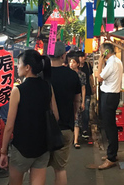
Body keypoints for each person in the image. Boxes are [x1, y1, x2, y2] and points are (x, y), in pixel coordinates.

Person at [0, 50, 59, 185]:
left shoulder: (18, 90)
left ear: (27, 67)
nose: (17, 66)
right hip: (42, 147)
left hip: (22, 147)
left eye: (19, 63)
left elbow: (9, 127)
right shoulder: (47, 86)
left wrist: (3, 152)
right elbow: (56, 116)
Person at [48, 42, 82, 185]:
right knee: (60, 169)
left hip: (43, 129)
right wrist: (73, 116)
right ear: (64, 56)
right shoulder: (72, 75)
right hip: (65, 127)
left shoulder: (41, 74)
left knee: (38, 168)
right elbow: (77, 101)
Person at [96, 42, 123, 170]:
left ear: (106, 52)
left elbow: (99, 78)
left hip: (108, 96)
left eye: (101, 51)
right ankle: (112, 153)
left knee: (109, 126)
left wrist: (100, 62)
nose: (100, 53)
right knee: (111, 125)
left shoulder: (111, 63)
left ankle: (111, 157)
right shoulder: (117, 61)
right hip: (113, 96)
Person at [67, 53, 86, 149]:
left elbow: (83, 88)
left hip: (77, 99)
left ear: (78, 64)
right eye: (70, 62)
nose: (71, 64)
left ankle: (75, 140)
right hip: (68, 98)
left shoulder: (81, 75)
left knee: (77, 119)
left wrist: (82, 102)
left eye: (73, 62)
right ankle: (70, 139)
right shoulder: (66, 73)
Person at [76, 51, 94, 140]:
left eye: (84, 57)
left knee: (85, 111)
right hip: (77, 92)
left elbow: (90, 77)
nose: (83, 58)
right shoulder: (75, 66)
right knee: (77, 112)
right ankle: (77, 129)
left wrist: (93, 86)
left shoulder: (88, 65)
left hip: (87, 91)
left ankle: (85, 129)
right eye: (81, 57)